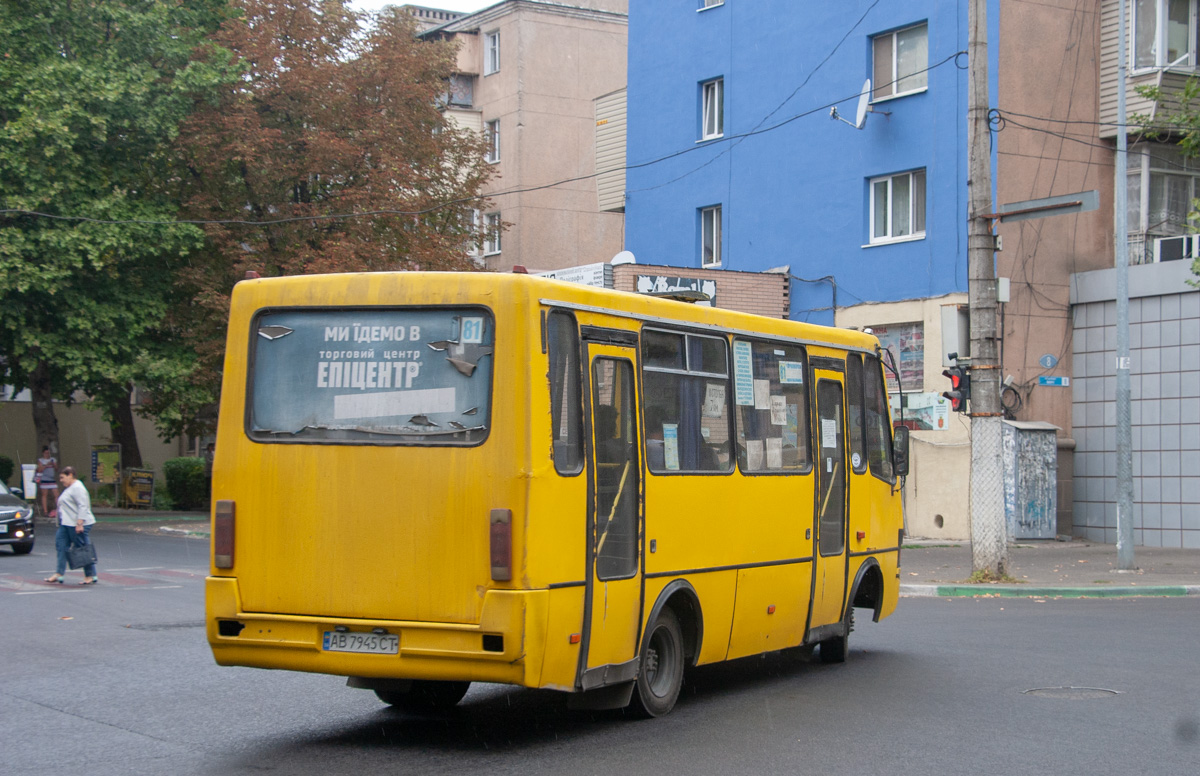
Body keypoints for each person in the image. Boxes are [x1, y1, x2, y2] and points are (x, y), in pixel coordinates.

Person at [45, 466, 97, 585]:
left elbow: (83, 506)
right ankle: (59, 573)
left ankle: (89, 575)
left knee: (81, 548)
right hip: (66, 524)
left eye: (63, 477)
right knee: (61, 545)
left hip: (77, 524)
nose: (61, 480)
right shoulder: (69, 488)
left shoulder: (77, 488)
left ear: (70, 475)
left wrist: (80, 524)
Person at [35, 446, 58, 517]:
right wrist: (46, 465)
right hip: (44, 479)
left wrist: (54, 465)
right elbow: (40, 469)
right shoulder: (40, 460)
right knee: (44, 495)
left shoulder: (53, 459)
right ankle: (45, 511)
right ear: (43, 453)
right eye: (46, 453)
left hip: (52, 479)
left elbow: (56, 469)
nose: (47, 455)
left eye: (48, 453)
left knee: (56, 494)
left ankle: (58, 509)